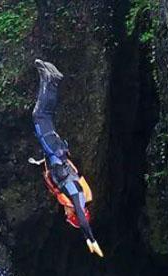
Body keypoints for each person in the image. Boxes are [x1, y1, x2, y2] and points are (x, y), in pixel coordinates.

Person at [30, 59, 104, 258]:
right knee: (40, 116)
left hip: (54, 152)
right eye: (71, 218)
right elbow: (82, 215)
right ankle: (51, 80)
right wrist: (90, 238)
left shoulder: (70, 196)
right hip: (56, 151)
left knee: (44, 116)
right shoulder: (77, 197)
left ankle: (49, 79)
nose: (67, 216)